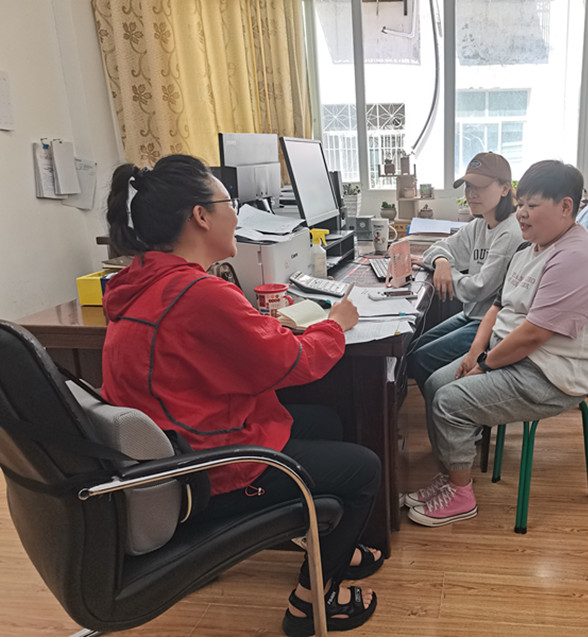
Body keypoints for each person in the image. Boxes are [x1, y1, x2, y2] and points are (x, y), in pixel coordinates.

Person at [99, 154, 380, 635]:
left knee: (325, 421)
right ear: (200, 216)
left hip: (169, 454)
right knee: (363, 469)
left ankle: (326, 544)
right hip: (202, 474)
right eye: (229, 203)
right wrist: (335, 325)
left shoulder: (142, 280)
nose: (238, 215)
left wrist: (267, 329)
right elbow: (290, 362)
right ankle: (309, 605)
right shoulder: (198, 293)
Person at [405, 160, 588, 527]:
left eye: (532, 205)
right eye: (521, 204)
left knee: (449, 400)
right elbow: (497, 306)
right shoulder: (532, 248)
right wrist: (475, 351)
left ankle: (461, 497)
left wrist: (484, 364)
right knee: (435, 381)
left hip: (552, 374)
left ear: (565, 206)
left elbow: (535, 334)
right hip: (516, 355)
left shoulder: (577, 258)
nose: (521, 213)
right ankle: (452, 476)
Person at [407, 152, 524, 390]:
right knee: (413, 348)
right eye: (468, 186)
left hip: (492, 325)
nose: (471, 194)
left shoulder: (510, 232)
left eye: (480, 186)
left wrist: (447, 271)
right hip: (471, 314)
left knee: (420, 360)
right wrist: (441, 261)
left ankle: (450, 402)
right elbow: (438, 248)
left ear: (504, 189)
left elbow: (478, 289)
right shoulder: (479, 225)